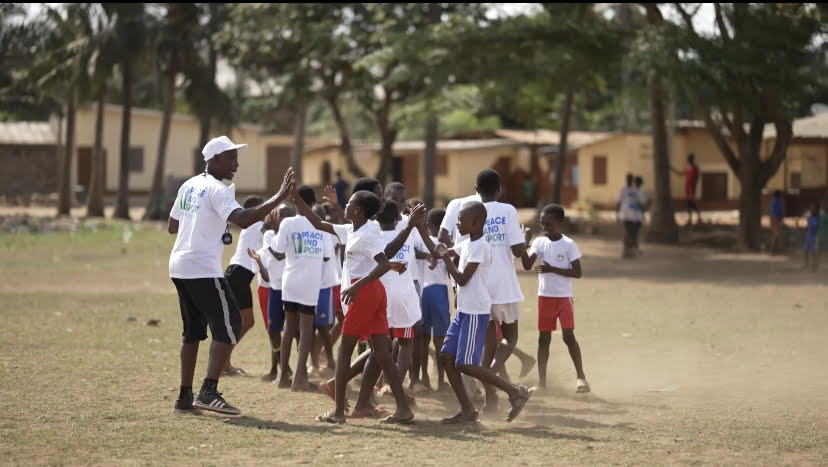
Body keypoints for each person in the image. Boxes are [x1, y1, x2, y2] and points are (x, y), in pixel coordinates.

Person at [169, 135, 294, 415]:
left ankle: (184, 398)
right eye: (230, 157)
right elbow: (244, 219)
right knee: (231, 324)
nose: (236, 164)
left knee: (192, 334)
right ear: (213, 159)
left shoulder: (189, 185)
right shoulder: (217, 190)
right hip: (202, 268)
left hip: (179, 265)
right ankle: (209, 392)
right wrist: (280, 197)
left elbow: (171, 225)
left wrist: (201, 224)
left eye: (236, 158)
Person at [294, 187, 418, 425]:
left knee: (344, 352)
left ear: (358, 211)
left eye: (349, 203)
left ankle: (339, 412)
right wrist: (294, 197)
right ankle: (403, 409)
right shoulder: (354, 229)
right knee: (382, 353)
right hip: (372, 292)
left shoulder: (366, 235)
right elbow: (318, 223)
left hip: (364, 293)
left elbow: (382, 264)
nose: (345, 205)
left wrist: (356, 286)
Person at [437, 200, 533, 424]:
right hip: (464, 310)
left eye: (461, 220)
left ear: (477, 222)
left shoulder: (481, 246)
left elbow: (461, 278)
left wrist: (444, 257)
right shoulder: (467, 243)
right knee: (446, 357)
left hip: (475, 311)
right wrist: (418, 226)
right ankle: (468, 410)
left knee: (465, 364)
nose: (457, 223)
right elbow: (440, 250)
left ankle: (515, 392)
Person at [470, 169, 530, 415]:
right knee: (510, 337)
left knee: (489, 345)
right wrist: (525, 238)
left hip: (480, 284)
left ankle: (490, 400)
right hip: (503, 285)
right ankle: (493, 374)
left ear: (476, 189)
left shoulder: (472, 212)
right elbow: (518, 251)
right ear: (499, 189)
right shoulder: (507, 210)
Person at [522, 204, 589, 393]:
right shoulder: (539, 242)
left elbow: (577, 272)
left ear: (560, 223)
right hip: (545, 297)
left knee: (569, 336)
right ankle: (542, 383)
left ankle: (581, 378)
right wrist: (525, 243)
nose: (544, 228)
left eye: (549, 224)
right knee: (544, 339)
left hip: (563, 297)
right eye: (542, 224)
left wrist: (553, 269)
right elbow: (527, 265)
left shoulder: (568, 244)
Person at [272, 185, 332, 391]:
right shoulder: (320, 225)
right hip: (310, 283)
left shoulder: (287, 222)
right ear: (313, 203)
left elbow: (278, 249)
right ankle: (299, 378)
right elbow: (325, 255)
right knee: (306, 330)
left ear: (295, 202)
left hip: (290, 281)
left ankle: (282, 378)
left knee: (288, 328)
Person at [376, 199, 424, 394]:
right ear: (398, 217)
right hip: (404, 295)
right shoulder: (408, 234)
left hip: (381, 293)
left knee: (380, 344)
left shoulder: (374, 236)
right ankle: (395, 384)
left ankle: (380, 382)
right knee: (406, 342)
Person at [222, 195, 265, 375]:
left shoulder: (252, 226)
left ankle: (224, 361)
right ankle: (223, 361)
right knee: (246, 321)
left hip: (235, 274)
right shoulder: (256, 224)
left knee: (242, 322)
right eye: (263, 208)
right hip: (238, 275)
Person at [261, 203, 294, 382]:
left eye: (287, 215)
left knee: (294, 331)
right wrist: (275, 230)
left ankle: (301, 369)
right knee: (273, 330)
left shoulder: (294, 233)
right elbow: (278, 254)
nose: (283, 219)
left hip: (293, 288)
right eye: (280, 215)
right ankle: (284, 367)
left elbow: (281, 254)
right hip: (275, 289)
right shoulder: (269, 234)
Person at [421, 208, 451, 391]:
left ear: (429, 225)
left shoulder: (423, 242)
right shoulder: (445, 244)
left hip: (423, 292)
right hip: (439, 291)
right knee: (440, 340)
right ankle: (441, 380)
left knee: (423, 340)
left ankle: (424, 377)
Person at [311, 203, 338, 376]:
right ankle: (313, 363)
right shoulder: (310, 233)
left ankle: (330, 360)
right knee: (309, 328)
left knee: (324, 328)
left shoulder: (328, 233)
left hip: (324, 286)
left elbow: (327, 257)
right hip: (308, 287)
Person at [672, 154, 701, 225]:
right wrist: (672, 169)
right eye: (688, 159)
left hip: (692, 188)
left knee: (692, 203)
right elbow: (681, 173)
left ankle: (698, 217)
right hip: (687, 188)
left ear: (692, 159)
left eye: (690, 159)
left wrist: (694, 186)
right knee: (689, 204)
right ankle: (690, 218)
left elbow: (697, 177)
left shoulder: (695, 167)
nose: (689, 160)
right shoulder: (687, 168)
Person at [617, 173, 640, 259]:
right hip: (625, 214)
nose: (629, 180)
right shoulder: (623, 190)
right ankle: (626, 250)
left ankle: (630, 250)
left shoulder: (635, 190)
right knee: (628, 232)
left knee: (632, 233)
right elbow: (618, 202)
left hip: (633, 215)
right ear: (626, 180)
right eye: (628, 179)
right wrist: (617, 214)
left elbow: (637, 202)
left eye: (630, 179)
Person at [632, 176, 647, 254]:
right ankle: (634, 247)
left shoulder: (637, 191)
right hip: (635, 214)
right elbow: (641, 204)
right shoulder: (637, 191)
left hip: (635, 213)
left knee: (635, 232)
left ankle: (634, 247)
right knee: (634, 232)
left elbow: (642, 204)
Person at [804, 204, 820, 272]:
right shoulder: (809, 218)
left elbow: (819, 227)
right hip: (808, 236)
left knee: (814, 252)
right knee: (806, 250)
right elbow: (807, 226)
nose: (812, 210)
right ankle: (806, 264)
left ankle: (814, 265)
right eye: (811, 209)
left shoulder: (818, 218)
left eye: (813, 209)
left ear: (817, 210)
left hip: (815, 236)